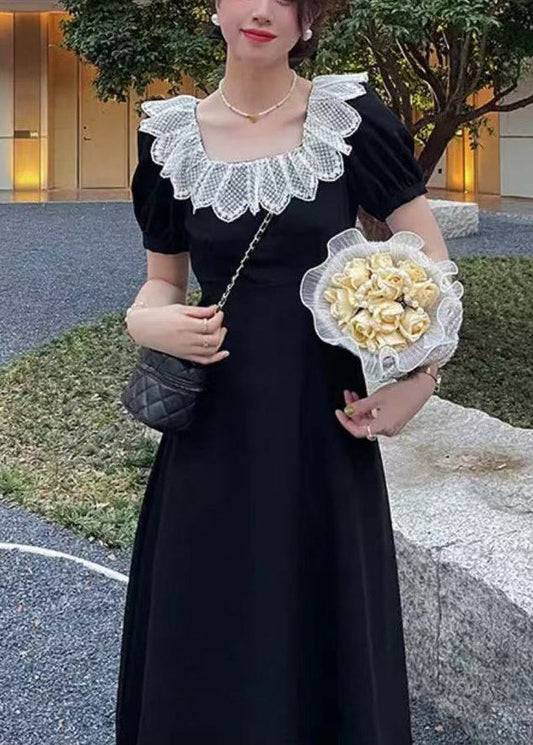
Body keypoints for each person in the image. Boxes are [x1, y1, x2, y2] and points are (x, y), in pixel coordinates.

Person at [115, 1, 451, 743]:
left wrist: (418, 381)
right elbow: (162, 281)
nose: (263, 9)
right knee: (208, 606)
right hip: (214, 428)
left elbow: (430, 259)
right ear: (215, 8)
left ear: (307, 22)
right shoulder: (168, 137)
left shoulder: (349, 119)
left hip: (320, 420)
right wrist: (146, 320)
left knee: (321, 607)